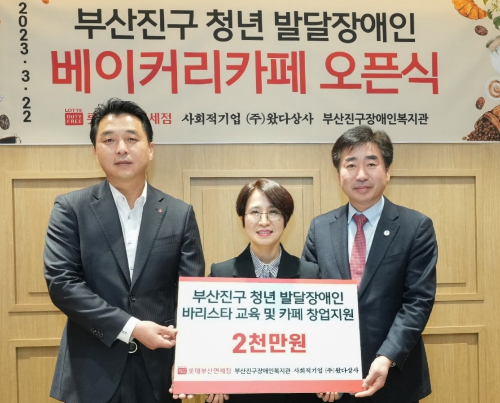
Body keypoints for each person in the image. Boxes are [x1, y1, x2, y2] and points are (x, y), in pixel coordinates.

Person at [44, 98, 205, 403]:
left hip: (160, 372)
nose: (121, 148)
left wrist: (186, 360)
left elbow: (191, 295)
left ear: (151, 149)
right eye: (109, 140)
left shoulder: (179, 213)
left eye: (131, 139)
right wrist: (131, 327)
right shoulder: (70, 209)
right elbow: (62, 284)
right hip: (91, 374)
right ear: (95, 152)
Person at [302, 126, 437, 403]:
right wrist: (320, 362)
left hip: (395, 376)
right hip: (333, 378)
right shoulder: (320, 228)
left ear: (387, 172)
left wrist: (387, 356)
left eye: (371, 164)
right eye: (350, 165)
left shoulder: (415, 227)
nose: (361, 174)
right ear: (338, 174)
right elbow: (309, 300)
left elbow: (418, 301)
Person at [207, 178, 320, 403]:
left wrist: (330, 378)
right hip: (239, 395)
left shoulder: (310, 274)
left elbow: (321, 339)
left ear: (285, 219)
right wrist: (210, 378)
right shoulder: (220, 274)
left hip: (297, 395)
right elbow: (208, 338)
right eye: (255, 212)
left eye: (274, 212)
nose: (264, 221)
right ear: (242, 218)